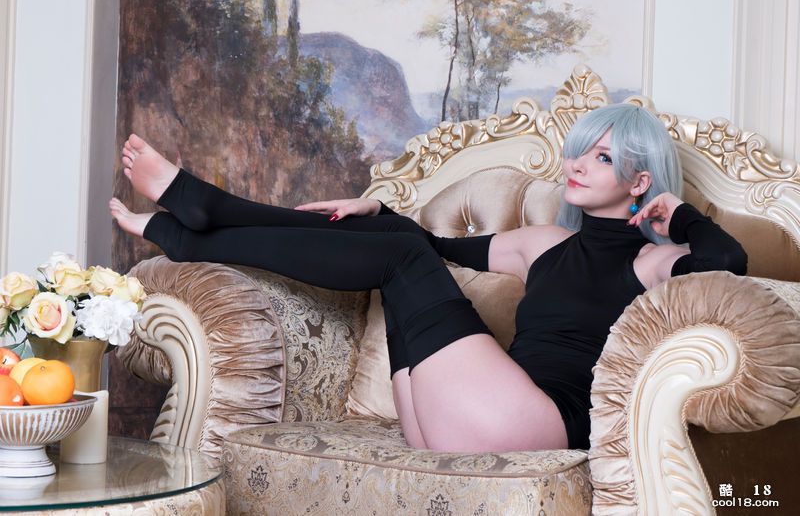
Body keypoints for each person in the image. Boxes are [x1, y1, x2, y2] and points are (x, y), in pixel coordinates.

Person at [109, 103, 747, 453]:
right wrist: (377, 209)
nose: (578, 164)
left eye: (602, 157)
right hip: (452, 422)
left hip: (541, 426)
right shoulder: (543, 244)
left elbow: (729, 264)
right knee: (397, 248)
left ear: (640, 182)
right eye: (579, 150)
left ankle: (196, 221)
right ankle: (198, 216)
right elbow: (431, 246)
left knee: (401, 258)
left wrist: (680, 214)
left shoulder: (654, 262)